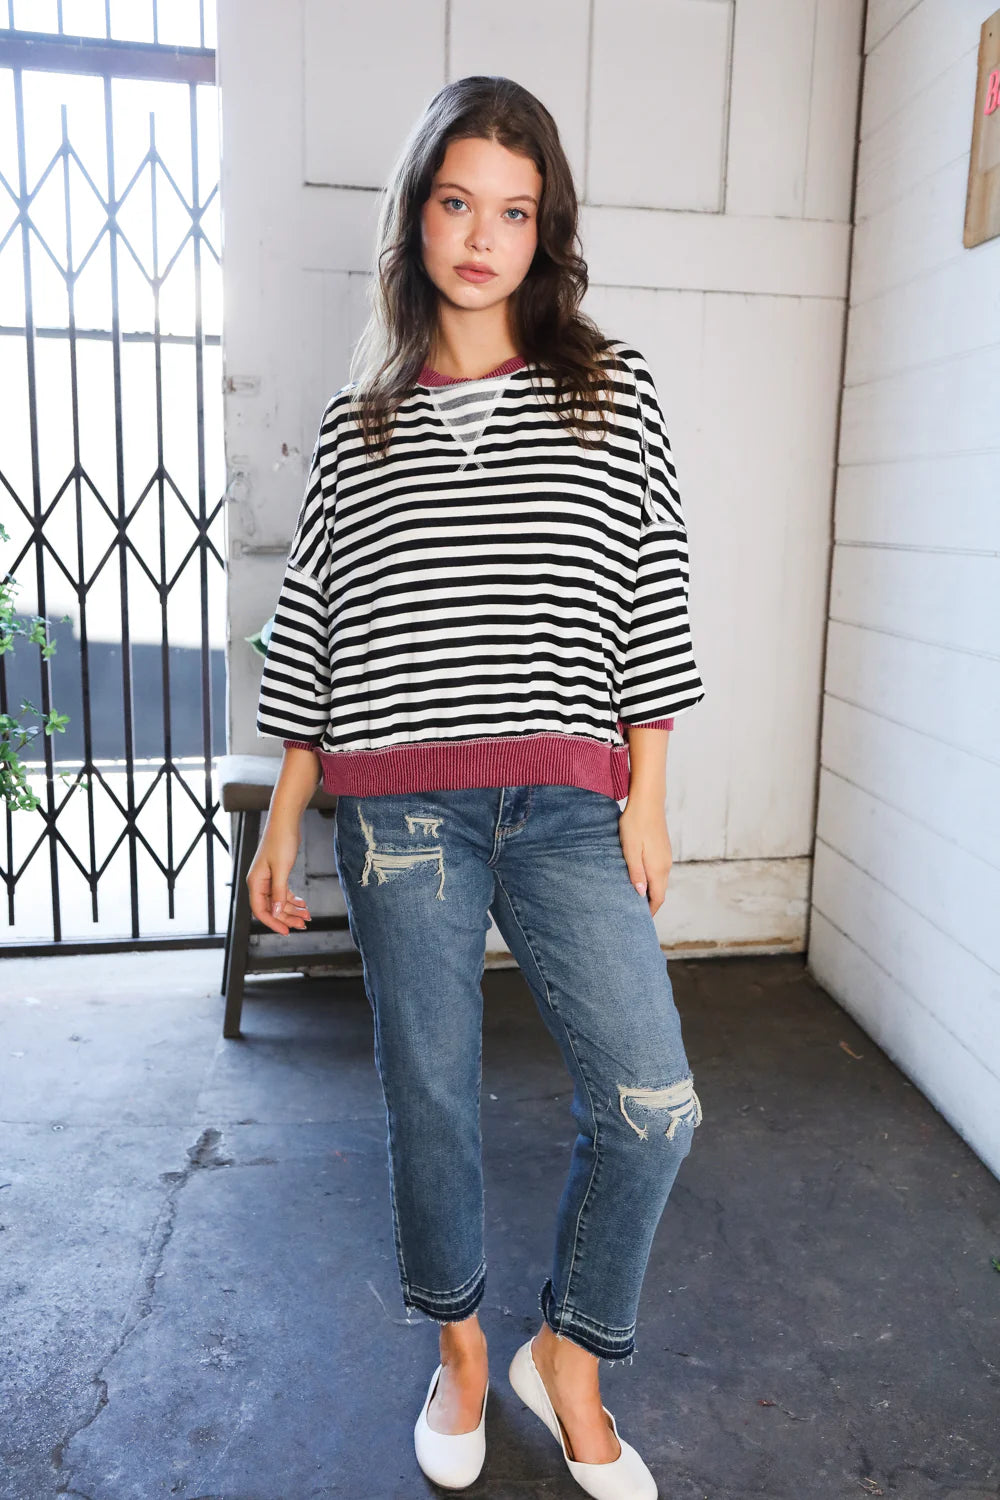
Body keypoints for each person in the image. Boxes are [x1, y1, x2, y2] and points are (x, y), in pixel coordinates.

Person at [249, 75, 706, 1500]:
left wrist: (647, 793)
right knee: (432, 1099)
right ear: (418, 215)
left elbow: (653, 589)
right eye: (457, 203)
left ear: (544, 230)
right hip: (399, 815)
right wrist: (284, 817)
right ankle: (459, 1357)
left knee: (653, 1105)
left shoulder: (609, 390)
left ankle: (566, 1356)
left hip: (568, 804)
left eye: (514, 211)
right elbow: (316, 619)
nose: (481, 236)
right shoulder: (360, 422)